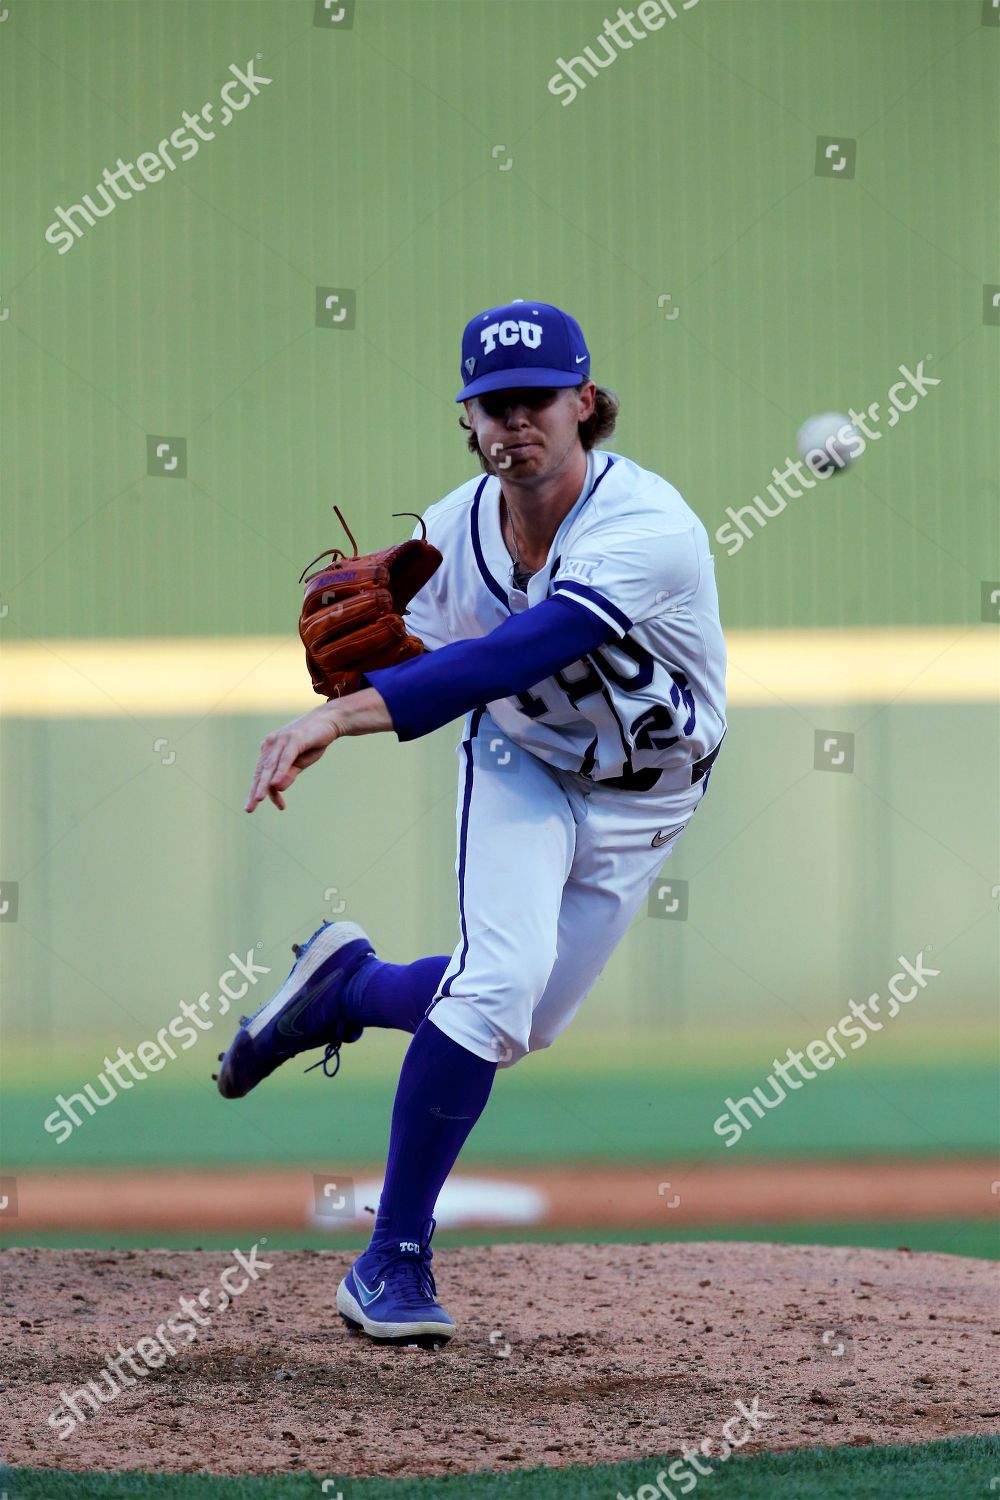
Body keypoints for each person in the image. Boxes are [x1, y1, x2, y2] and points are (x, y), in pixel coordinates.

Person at [216, 299, 727, 1347]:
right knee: (493, 993)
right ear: (468, 419)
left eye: (534, 399)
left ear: (583, 402)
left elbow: (508, 655)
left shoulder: (647, 527)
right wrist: (368, 669)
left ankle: (344, 987)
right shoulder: (453, 533)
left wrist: (342, 714)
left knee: (521, 1023)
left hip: (649, 799)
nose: (512, 422)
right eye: (490, 405)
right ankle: (389, 1260)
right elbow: (434, 660)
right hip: (521, 769)